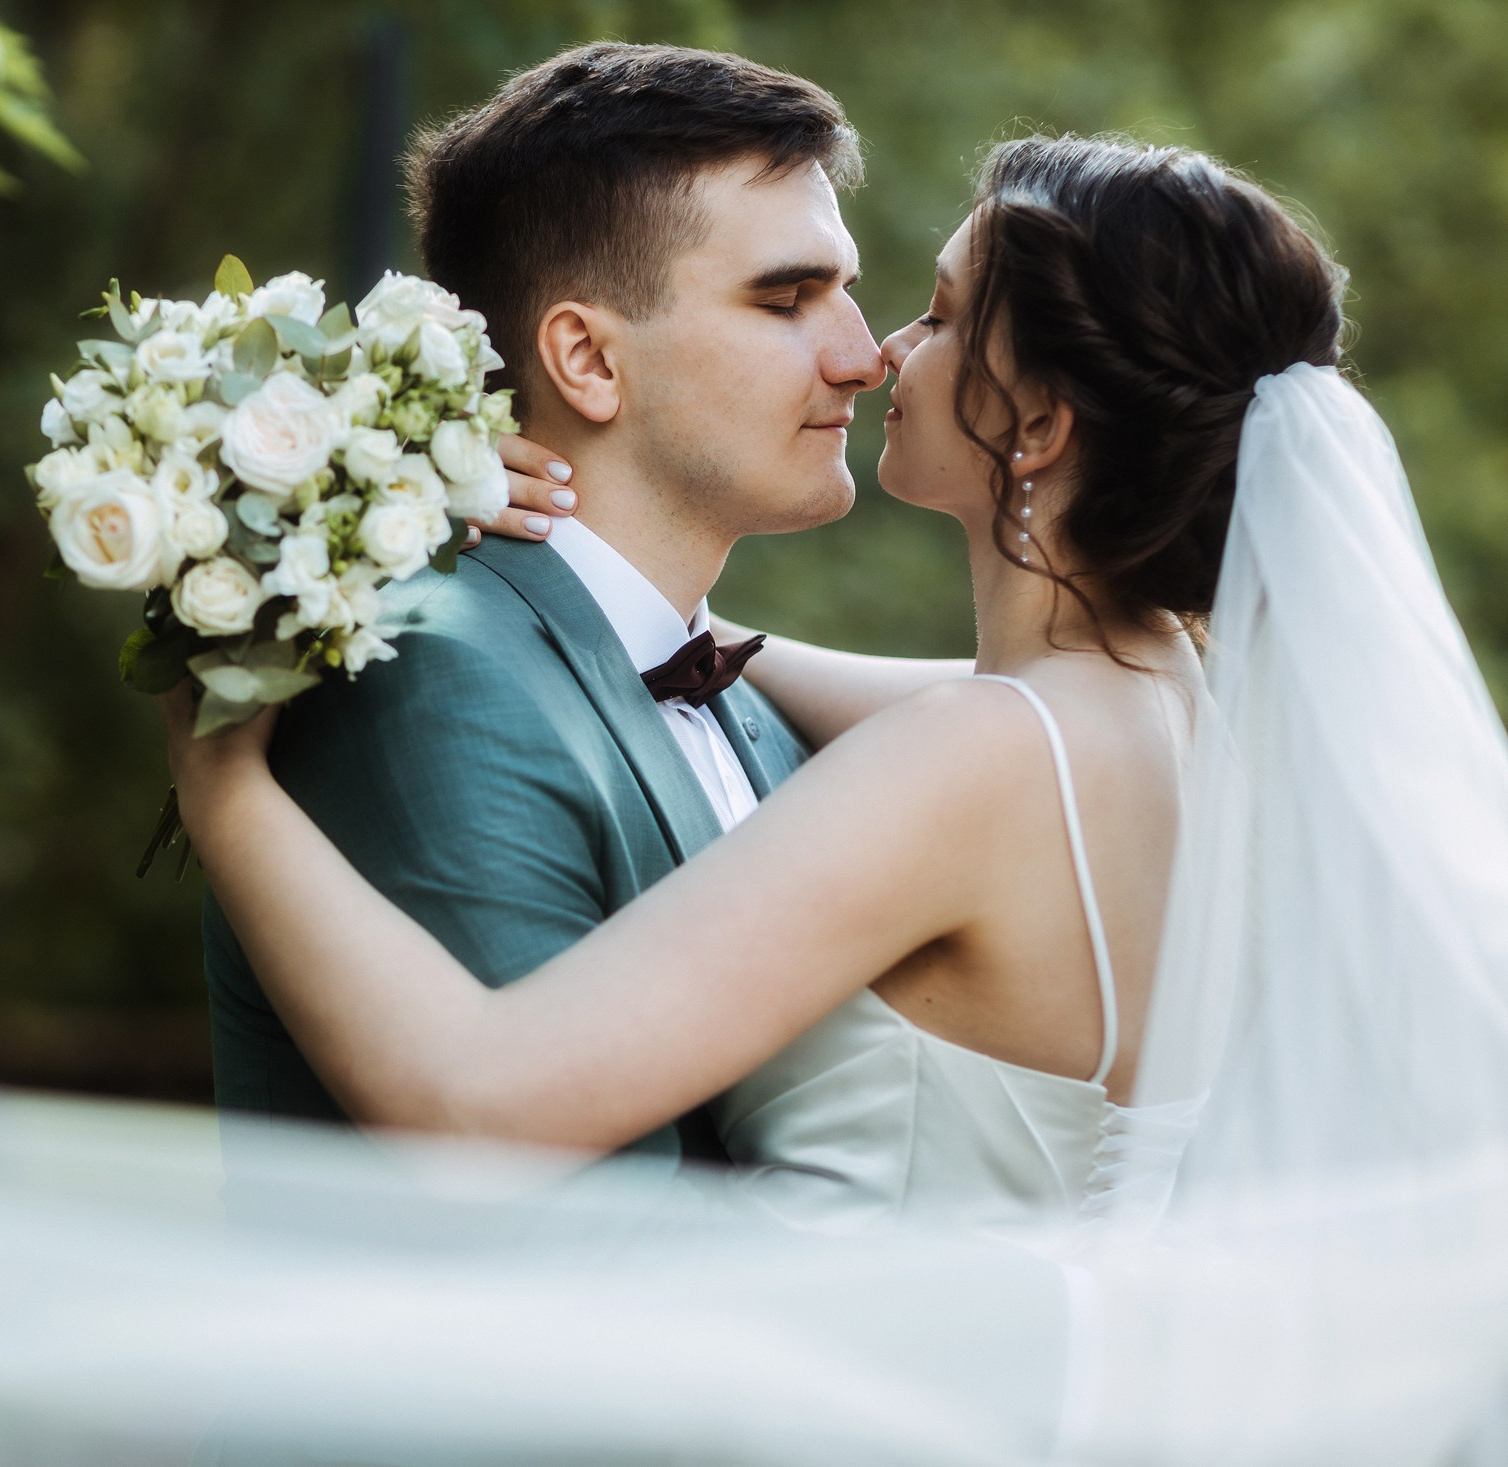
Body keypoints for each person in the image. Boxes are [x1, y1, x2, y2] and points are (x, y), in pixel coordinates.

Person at [169, 132, 1347, 1234]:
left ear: (1036, 428)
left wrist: (220, 788)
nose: (877, 353)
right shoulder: (1170, 709)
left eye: (939, 317)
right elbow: (713, 660)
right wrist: (417, 493)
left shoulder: (977, 755)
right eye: (789, 300)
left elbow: (481, 1105)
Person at [203, 42, 890, 1166]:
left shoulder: (748, 700)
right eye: (786, 299)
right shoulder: (436, 679)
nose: (864, 356)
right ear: (586, 359)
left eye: (845, 292)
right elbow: (557, 1217)